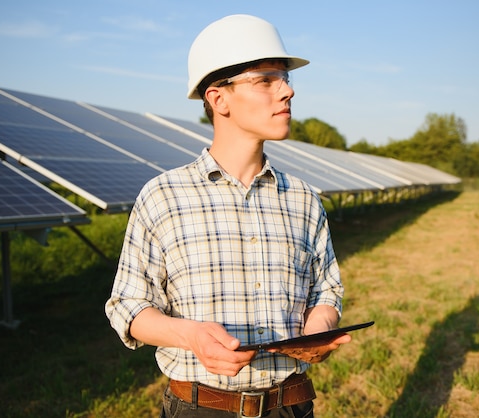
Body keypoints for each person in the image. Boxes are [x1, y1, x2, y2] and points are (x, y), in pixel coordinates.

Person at [105, 14, 351, 418]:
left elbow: (326, 290)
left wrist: (320, 324)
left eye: (285, 78)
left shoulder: (304, 199)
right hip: (201, 407)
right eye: (265, 79)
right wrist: (190, 336)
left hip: (291, 406)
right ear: (219, 99)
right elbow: (129, 307)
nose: (287, 91)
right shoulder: (164, 196)